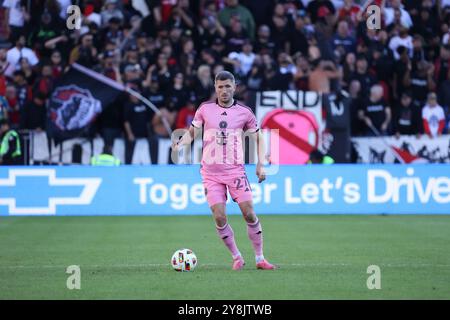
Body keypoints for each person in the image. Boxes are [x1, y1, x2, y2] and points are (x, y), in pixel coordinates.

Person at [172, 71, 275, 271]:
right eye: (220, 87)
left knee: (249, 213)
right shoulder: (205, 109)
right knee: (219, 216)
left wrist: (261, 164)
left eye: (228, 86)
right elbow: (192, 132)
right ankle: (237, 256)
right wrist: (181, 143)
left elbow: (259, 138)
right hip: (210, 173)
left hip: (235, 171)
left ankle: (260, 258)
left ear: (234, 87)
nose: (224, 90)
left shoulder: (245, 112)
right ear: (215, 88)